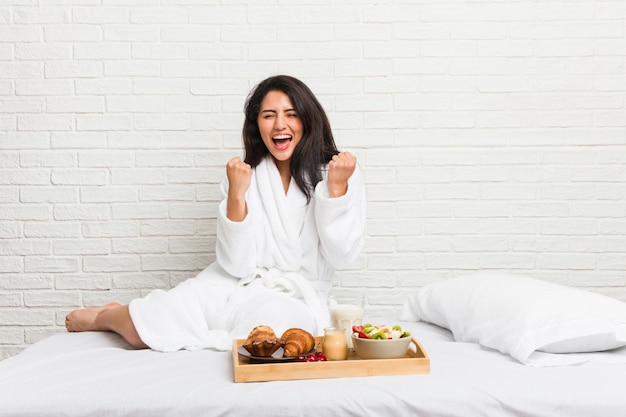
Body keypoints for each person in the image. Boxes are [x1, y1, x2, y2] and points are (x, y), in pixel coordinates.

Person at [65, 75, 366, 352]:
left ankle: (118, 313)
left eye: (291, 114)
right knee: (142, 329)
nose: (279, 125)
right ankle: (107, 316)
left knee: (270, 338)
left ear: (307, 120)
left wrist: (336, 191)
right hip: (231, 284)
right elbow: (236, 265)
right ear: (256, 124)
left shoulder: (336, 173)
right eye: (268, 115)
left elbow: (342, 257)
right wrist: (236, 194)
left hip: (293, 298)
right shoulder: (245, 175)